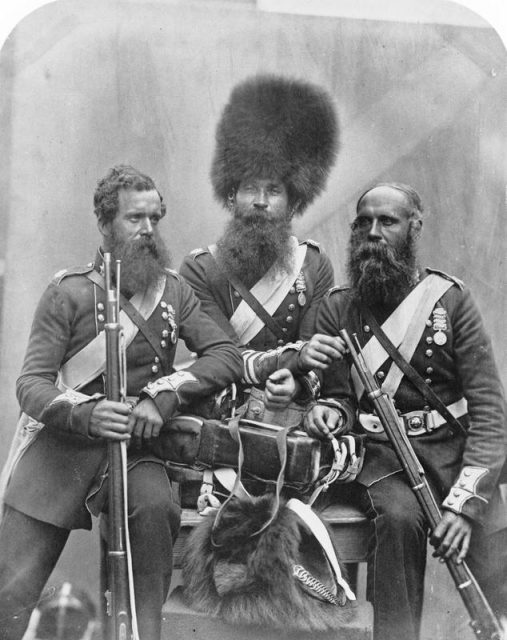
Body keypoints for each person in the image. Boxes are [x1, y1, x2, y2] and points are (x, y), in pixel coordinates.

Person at [0, 165, 243, 640]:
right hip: (63, 448)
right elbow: (31, 385)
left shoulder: (174, 291)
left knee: (155, 512)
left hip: (137, 449)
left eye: (155, 218)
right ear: (104, 222)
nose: (148, 230)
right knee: (11, 592)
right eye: (135, 219)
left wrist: (164, 395)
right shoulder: (67, 292)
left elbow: (226, 354)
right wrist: (86, 413)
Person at [310, 182, 507, 640]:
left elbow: (490, 411)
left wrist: (463, 507)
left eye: (388, 221)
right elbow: (336, 397)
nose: (374, 232)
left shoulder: (451, 301)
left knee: (497, 551)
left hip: (452, 454)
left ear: (414, 227)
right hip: (383, 458)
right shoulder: (338, 308)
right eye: (364, 222)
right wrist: (328, 413)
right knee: (397, 521)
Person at [180, 74, 352, 432]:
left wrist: (297, 383)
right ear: (231, 196)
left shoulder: (314, 266)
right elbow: (222, 356)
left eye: (273, 190)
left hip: (289, 414)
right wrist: (289, 363)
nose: (260, 201)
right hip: (219, 414)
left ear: (292, 204)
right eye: (249, 189)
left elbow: (313, 349)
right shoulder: (200, 269)